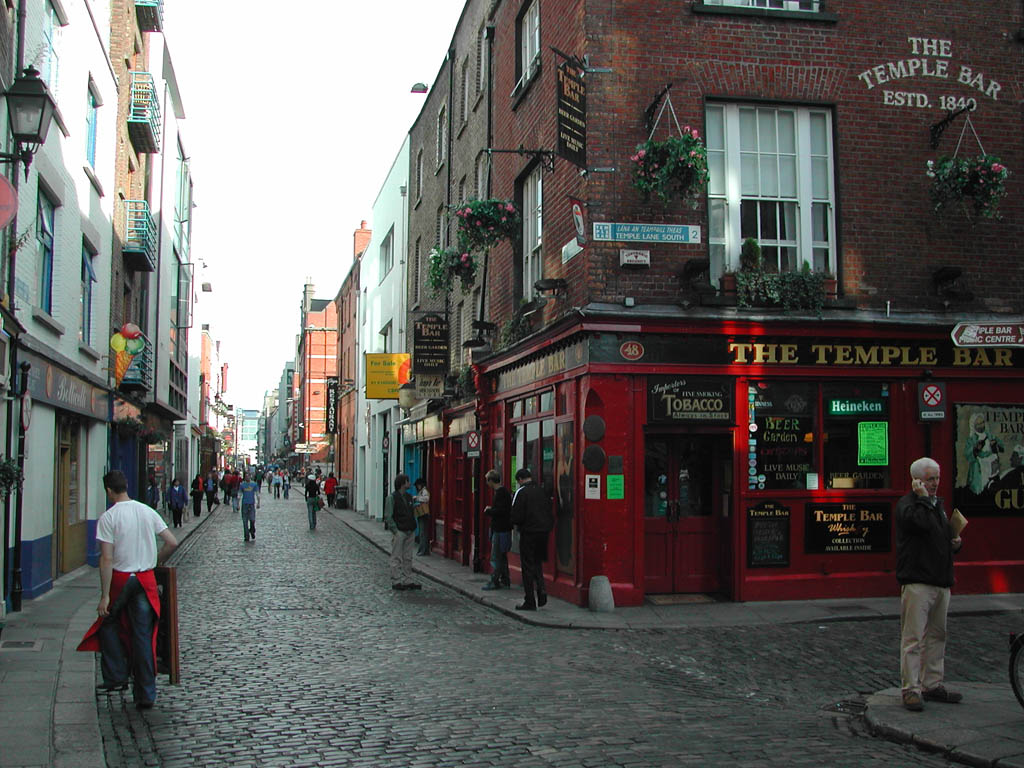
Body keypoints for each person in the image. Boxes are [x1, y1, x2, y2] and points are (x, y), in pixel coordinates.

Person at [77, 470, 177, 710]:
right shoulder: (146, 511)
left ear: (109, 491)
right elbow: (172, 542)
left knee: (107, 622)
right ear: (127, 486)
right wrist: (155, 560)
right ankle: (145, 694)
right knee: (143, 635)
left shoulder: (109, 518)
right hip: (145, 579)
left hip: (122, 579)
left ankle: (116, 675)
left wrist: (104, 596)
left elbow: (106, 559)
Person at [896, 457, 964, 712]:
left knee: (937, 634)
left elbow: (940, 536)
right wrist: (923, 498)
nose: (935, 483)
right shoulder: (909, 506)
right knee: (913, 637)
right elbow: (920, 525)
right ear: (916, 481)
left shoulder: (937, 506)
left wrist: (955, 542)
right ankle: (911, 689)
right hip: (918, 580)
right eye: (929, 479)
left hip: (940, 579)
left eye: (936, 478)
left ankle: (932, 683)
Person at [509, 467, 553, 611]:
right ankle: (542, 591)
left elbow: (516, 516)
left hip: (528, 532)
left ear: (520, 480)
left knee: (527, 566)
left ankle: (530, 600)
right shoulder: (542, 490)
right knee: (537, 563)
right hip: (543, 532)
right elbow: (549, 509)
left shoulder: (521, 492)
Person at [383, 473, 420, 590]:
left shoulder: (409, 497)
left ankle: (408, 579)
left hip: (410, 530)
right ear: (402, 483)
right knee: (396, 556)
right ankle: (396, 580)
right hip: (400, 531)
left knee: (408, 557)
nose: (410, 483)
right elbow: (388, 516)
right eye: (408, 481)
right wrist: (395, 531)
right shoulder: (392, 498)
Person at [482, 470, 512, 590]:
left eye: (487, 480)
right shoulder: (502, 492)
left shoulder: (500, 493)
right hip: (502, 528)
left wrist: (489, 511)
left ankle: (495, 581)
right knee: (502, 555)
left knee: (496, 556)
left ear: (491, 480)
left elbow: (501, 511)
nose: (486, 483)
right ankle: (505, 580)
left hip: (500, 528)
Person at [239, 471, 260, 542]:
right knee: (245, 521)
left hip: (251, 504)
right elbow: (239, 494)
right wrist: (238, 504)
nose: (247, 477)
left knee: (252, 519)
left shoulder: (254, 484)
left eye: (248, 476)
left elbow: (257, 494)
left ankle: (252, 530)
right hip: (244, 504)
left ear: (250, 476)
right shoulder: (242, 485)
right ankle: (246, 536)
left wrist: (258, 503)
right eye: (246, 476)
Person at [412, 478, 431, 556]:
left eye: (419, 485)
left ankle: (423, 550)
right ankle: (423, 550)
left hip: (424, 514)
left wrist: (417, 498)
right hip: (420, 514)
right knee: (422, 532)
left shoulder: (424, 491)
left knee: (422, 533)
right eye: (417, 485)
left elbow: (426, 499)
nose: (418, 486)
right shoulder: (421, 491)